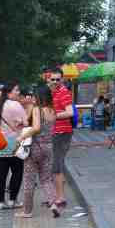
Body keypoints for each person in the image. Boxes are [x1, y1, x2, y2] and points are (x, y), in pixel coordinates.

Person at [15, 86, 57, 219]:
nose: (32, 98)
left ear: (39, 97)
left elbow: (36, 127)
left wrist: (22, 136)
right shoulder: (52, 111)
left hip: (35, 147)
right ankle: (53, 204)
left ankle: (27, 211)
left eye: (34, 96)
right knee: (46, 179)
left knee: (29, 180)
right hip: (49, 147)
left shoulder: (37, 110)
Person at [0, 83, 26, 210]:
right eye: (16, 90)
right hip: (15, 143)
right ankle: (12, 200)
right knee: (17, 172)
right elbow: (25, 123)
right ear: (8, 92)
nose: (18, 92)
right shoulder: (16, 105)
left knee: (0, 173)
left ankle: (0, 202)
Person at [46, 69, 74, 210]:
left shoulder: (63, 92)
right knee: (54, 165)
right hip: (54, 132)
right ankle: (55, 196)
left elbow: (70, 112)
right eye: (53, 79)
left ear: (62, 79)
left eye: (58, 79)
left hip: (62, 133)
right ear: (48, 79)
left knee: (57, 166)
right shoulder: (52, 92)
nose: (55, 82)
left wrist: (53, 115)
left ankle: (61, 197)